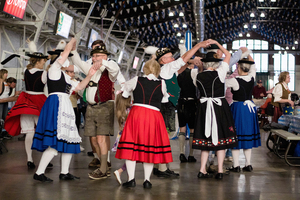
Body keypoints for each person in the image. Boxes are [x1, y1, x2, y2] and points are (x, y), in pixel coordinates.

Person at [31, 38, 99, 182]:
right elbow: (65, 52)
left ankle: (64, 172)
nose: (68, 62)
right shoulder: (54, 70)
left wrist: (90, 75)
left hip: (65, 107)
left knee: (69, 140)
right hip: (56, 105)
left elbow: (80, 87)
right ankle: (39, 172)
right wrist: (72, 41)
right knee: (55, 141)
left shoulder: (66, 77)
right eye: (65, 59)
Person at [154, 40, 209, 178]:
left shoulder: (167, 70)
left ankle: (160, 166)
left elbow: (180, 68)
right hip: (166, 107)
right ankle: (161, 168)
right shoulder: (166, 68)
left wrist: (189, 62)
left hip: (165, 106)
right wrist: (198, 46)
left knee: (163, 136)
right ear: (163, 60)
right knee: (165, 136)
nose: (173, 59)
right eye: (171, 57)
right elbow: (182, 60)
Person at [115, 59, 172, 188]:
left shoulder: (137, 80)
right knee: (150, 148)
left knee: (131, 147)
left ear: (145, 69)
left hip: (137, 114)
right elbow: (164, 101)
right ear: (158, 70)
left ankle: (131, 179)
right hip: (154, 116)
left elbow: (124, 92)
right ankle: (147, 180)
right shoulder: (162, 83)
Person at [70, 40, 121, 180]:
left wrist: (101, 62)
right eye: (93, 56)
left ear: (105, 56)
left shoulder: (111, 68)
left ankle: (104, 168)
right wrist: (73, 50)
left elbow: (114, 68)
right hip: (91, 107)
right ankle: (101, 163)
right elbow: (79, 62)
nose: (94, 58)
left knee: (101, 138)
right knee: (94, 139)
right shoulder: (91, 68)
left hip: (105, 106)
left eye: (98, 55)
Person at [192, 39, 237, 180]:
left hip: (204, 108)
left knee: (206, 141)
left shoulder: (197, 75)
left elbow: (200, 83)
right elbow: (228, 55)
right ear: (217, 63)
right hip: (219, 108)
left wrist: (199, 68)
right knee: (220, 141)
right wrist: (217, 44)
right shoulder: (221, 72)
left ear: (204, 64)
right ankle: (219, 170)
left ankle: (202, 170)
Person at [4, 44, 48, 169]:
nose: (44, 62)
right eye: (43, 60)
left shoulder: (25, 71)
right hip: (39, 100)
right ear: (38, 62)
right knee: (43, 131)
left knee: (29, 132)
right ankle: (46, 157)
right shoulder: (44, 73)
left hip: (26, 101)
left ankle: (29, 159)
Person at [225, 53, 261, 172]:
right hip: (249, 109)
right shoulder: (252, 77)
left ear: (238, 68)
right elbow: (254, 66)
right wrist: (248, 53)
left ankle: (236, 166)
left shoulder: (233, 81)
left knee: (236, 136)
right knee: (247, 137)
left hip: (238, 108)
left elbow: (221, 84)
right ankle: (248, 164)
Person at [177, 62, 198, 163]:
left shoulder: (179, 74)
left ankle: (181, 153)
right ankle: (191, 154)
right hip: (191, 102)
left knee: (182, 127)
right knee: (192, 129)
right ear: (192, 65)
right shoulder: (194, 72)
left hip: (181, 102)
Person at [112, 91, 131, 185]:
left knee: (129, 159)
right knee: (132, 158)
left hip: (122, 137)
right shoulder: (129, 111)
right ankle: (120, 171)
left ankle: (129, 178)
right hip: (129, 137)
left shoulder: (120, 111)